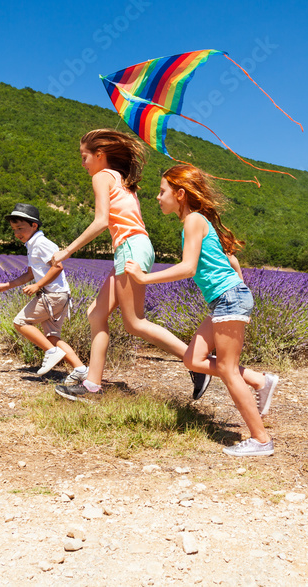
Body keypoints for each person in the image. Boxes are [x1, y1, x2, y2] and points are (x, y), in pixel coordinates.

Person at [125, 165, 279, 456]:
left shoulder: (194, 220)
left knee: (227, 369)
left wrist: (144, 277)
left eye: (162, 191)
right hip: (227, 299)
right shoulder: (197, 221)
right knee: (192, 359)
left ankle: (260, 440)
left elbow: (188, 267)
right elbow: (228, 259)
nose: (158, 198)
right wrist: (237, 281)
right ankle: (260, 380)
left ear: (180, 194)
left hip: (228, 299)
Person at [50, 129, 210, 401]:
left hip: (130, 248)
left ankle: (196, 363)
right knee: (96, 313)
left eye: (84, 157)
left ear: (100, 156)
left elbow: (101, 221)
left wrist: (67, 250)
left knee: (135, 322)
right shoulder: (120, 179)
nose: (83, 164)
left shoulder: (102, 176)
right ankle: (92, 385)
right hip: (135, 247)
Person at [0, 203, 85, 377]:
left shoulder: (41, 243)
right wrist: (7, 285)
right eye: (14, 229)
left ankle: (51, 352)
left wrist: (38, 286)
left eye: (20, 228)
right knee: (53, 337)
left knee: (21, 322)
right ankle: (80, 370)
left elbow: (58, 267)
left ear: (34, 225)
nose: (17, 233)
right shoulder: (33, 244)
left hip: (52, 296)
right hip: (58, 295)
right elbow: (30, 274)